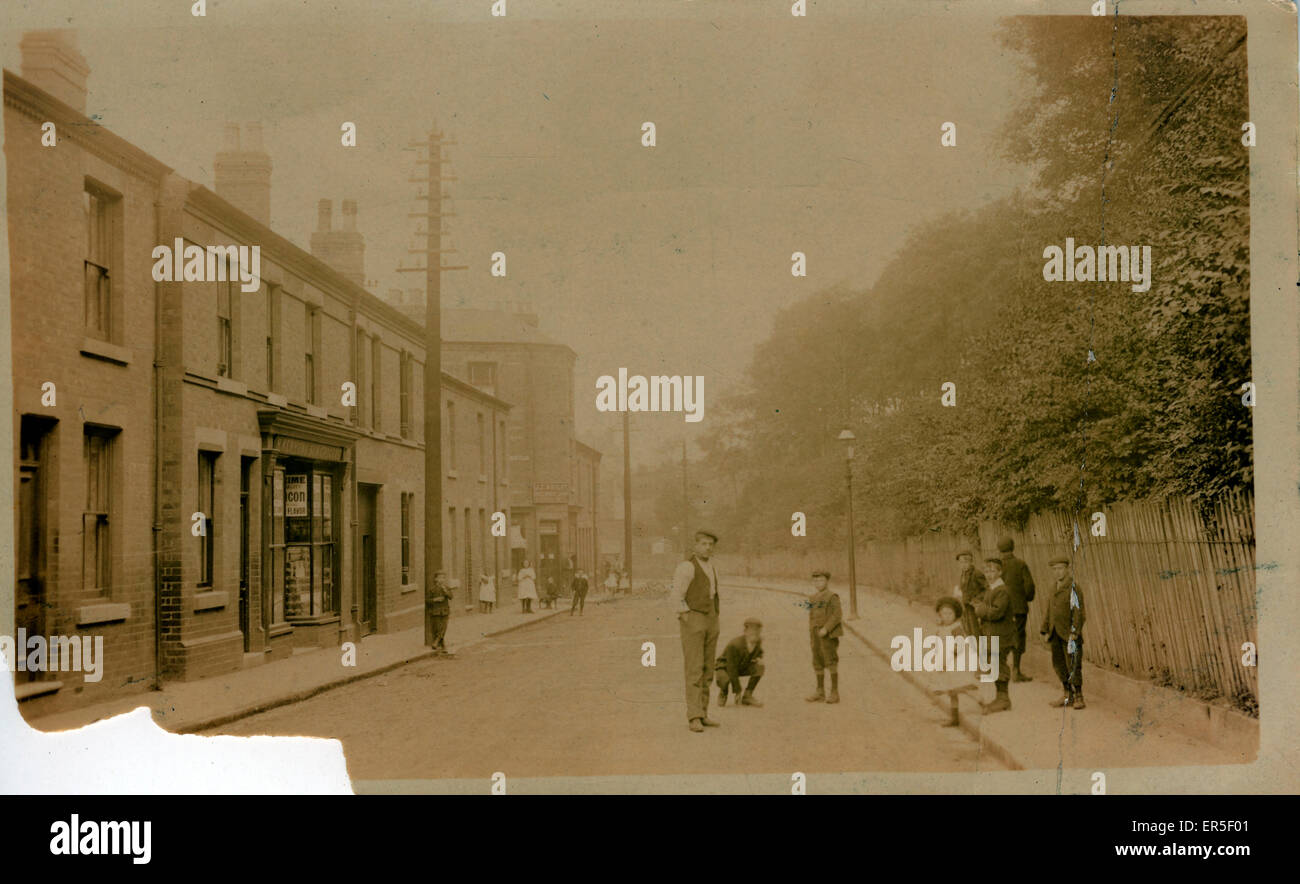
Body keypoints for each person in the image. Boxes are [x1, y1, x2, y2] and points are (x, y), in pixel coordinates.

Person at [671, 529, 723, 733]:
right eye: (703, 544)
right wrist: (687, 617)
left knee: (708, 669)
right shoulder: (687, 567)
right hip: (694, 618)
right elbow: (676, 595)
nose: (707, 547)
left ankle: (703, 712)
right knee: (694, 668)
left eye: (711, 544)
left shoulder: (711, 566)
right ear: (695, 545)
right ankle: (693, 716)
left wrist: (714, 617)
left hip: (711, 619)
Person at [1041, 556, 1087, 709]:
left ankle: (1079, 695)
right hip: (1055, 633)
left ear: (1067, 569)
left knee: (1073, 664)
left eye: (1060, 568)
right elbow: (1049, 609)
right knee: (1059, 664)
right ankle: (1067, 694)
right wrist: (1045, 628)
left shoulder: (1073, 588)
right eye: (1054, 569)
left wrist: (1074, 632)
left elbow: (1078, 612)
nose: (1057, 572)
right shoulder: (1053, 587)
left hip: (1069, 634)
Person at [972, 557, 1015, 713]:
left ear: (1000, 572)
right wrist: (982, 608)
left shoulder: (1002, 590)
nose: (989, 574)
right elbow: (985, 606)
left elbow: (996, 612)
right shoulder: (991, 589)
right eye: (987, 571)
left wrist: (980, 610)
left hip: (1001, 635)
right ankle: (1000, 698)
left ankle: (1003, 700)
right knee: (995, 665)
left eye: (993, 571)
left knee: (1000, 665)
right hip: (992, 634)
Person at [931, 597, 976, 727]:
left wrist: (950, 657)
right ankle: (954, 717)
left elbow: (960, 646)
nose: (947, 616)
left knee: (962, 686)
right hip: (946, 663)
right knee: (952, 691)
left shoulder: (956, 628)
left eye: (950, 613)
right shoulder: (941, 628)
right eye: (944, 613)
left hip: (955, 662)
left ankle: (982, 702)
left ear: (955, 614)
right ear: (940, 614)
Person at [997, 538, 1036, 682]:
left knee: (1003, 636)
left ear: (999, 549)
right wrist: (1025, 598)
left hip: (1001, 608)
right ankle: (1016, 671)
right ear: (1013, 547)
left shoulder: (996, 566)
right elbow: (1029, 587)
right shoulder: (1020, 564)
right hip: (1018, 608)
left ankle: (1000, 669)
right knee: (1018, 637)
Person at [805, 569, 844, 704]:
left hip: (827, 635)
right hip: (815, 634)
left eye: (821, 580)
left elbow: (837, 615)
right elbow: (811, 616)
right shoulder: (812, 598)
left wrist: (826, 629)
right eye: (815, 580)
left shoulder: (832, 596)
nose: (818, 583)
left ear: (827, 581)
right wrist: (812, 632)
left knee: (830, 660)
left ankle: (834, 693)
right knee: (817, 660)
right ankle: (820, 691)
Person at [715, 617, 765, 707]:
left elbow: (760, 652)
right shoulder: (735, 644)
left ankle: (747, 696)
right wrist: (737, 690)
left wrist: (758, 658)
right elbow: (731, 667)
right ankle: (723, 692)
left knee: (760, 667)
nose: (755, 633)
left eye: (757, 631)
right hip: (725, 667)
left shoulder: (758, 641)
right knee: (724, 679)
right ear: (745, 631)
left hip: (742, 665)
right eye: (752, 630)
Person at [953, 550, 987, 638]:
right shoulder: (963, 574)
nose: (963, 565)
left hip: (975, 607)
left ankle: (982, 650)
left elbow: (987, 589)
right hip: (966, 607)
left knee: (977, 631)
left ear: (971, 562)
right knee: (969, 631)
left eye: (965, 562)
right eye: (960, 562)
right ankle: (976, 649)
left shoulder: (976, 573)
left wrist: (976, 600)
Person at [425, 569, 455, 656]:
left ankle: (437, 641)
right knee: (438, 628)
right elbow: (427, 600)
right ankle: (443, 645)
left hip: (445, 610)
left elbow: (451, 597)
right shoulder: (432, 589)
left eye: (443, 578)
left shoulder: (446, 588)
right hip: (436, 611)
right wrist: (435, 600)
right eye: (440, 578)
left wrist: (445, 591)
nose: (442, 580)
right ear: (436, 579)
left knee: (444, 627)